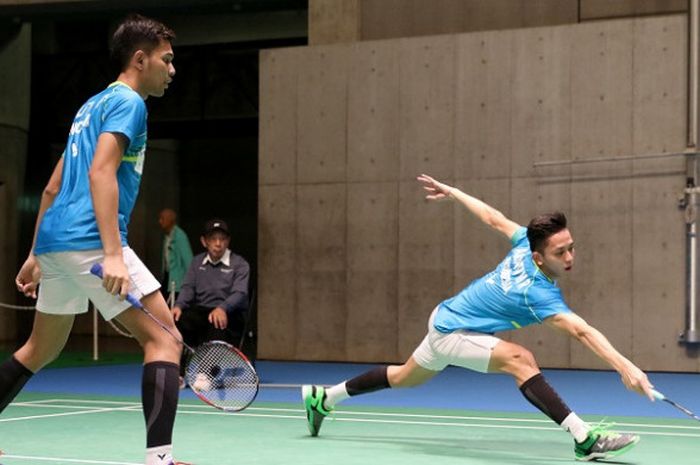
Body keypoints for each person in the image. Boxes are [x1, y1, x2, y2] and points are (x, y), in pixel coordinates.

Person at [302, 173, 655, 462]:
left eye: (571, 247)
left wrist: (455, 192)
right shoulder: (538, 293)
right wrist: (625, 366)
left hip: (445, 318)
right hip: (454, 329)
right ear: (538, 257)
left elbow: (493, 218)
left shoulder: (523, 242)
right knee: (520, 359)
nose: (569, 257)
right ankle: (583, 438)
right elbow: (582, 332)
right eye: (560, 252)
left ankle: (324, 398)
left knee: (404, 377)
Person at [7, 14, 187, 465]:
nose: (172, 69)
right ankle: (159, 461)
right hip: (91, 241)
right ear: (140, 59)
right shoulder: (130, 103)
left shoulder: (89, 106)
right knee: (166, 341)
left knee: (39, 349)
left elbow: (52, 186)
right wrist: (112, 255)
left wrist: (36, 253)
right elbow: (100, 171)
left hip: (57, 241)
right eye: (166, 60)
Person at [172, 219, 250, 357]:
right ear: (204, 241)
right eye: (213, 239)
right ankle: (180, 371)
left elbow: (240, 293)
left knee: (216, 323)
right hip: (202, 311)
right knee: (180, 321)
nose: (218, 243)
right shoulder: (196, 262)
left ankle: (208, 374)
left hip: (230, 314)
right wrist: (179, 305)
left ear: (228, 241)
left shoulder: (240, 264)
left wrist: (223, 308)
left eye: (222, 239)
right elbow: (188, 288)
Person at [158, 208, 193, 302]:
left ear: (170, 219)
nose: (160, 221)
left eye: (162, 218)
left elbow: (188, 260)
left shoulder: (180, 236)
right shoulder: (167, 236)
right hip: (167, 276)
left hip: (177, 280)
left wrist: (189, 284)